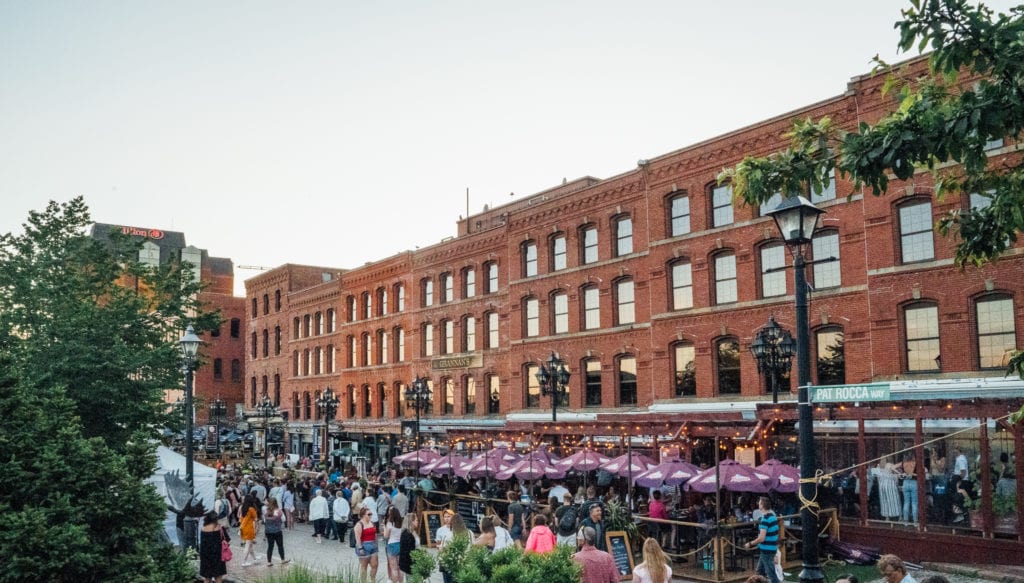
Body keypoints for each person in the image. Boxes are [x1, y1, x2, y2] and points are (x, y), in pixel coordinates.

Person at [743, 496, 780, 583]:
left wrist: (750, 544)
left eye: (759, 503)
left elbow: (761, 538)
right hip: (770, 548)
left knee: (771, 575)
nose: (758, 504)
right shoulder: (773, 517)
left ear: (762, 505)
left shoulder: (765, 519)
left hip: (767, 549)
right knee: (759, 572)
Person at [199, 510, 229, 583]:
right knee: (218, 578)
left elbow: (202, 544)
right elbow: (227, 540)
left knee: (207, 578)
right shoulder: (220, 528)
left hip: (206, 556)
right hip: (218, 556)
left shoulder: (203, 529)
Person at [354, 507, 380, 583]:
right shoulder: (359, 524)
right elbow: (357, 538)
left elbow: (375, 535)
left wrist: (376, 545)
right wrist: (360, 548)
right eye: (369, 514)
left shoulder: (372, 523)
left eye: (371, 514)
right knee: (364, 567)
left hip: (373, 545)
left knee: (375, 565)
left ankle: (372, 580)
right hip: (364, 545)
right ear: (363, 515)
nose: (370, 515)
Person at [263, 497, 290, 566]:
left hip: (269, 531)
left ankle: (269, 562)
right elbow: (283, 519)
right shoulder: (279, 511)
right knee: (280, 546)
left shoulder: (266, 511)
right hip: (277, 530)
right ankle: (282, 559)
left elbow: (264, 521)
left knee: (270, 546)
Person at [383, 507, 404, 583]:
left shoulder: (390, 523)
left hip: (392, 545)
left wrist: (384, 528)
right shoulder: (401, 523)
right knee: (400, 568)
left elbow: (386, 536)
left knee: (394, 569)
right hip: (400, 544)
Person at [238, 493, 260, 567]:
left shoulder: (242, 507)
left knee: (250, 545)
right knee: (247, 546)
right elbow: (256, 519)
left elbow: (241, 518)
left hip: (243, 528)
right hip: (249, 528)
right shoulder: (251, 509)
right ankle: (244, 562)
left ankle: (255, 559)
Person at [398, 512, 419, 583]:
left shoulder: (413, 532)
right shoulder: (407, 534)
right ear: (411, 521)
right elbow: (407, 552)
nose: (417, 522)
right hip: (410, 564)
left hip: (415, 562)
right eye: (416, 520)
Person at [901, 454, 920, 524]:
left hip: (905, 483)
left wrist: (903, 474)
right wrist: (913, 474)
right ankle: (915, 521)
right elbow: (919, 474)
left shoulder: (904, 463)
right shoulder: (915, 463)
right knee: (914, 503)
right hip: (914, 483)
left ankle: (905, 521)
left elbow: (900, 472)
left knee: (906, 502)